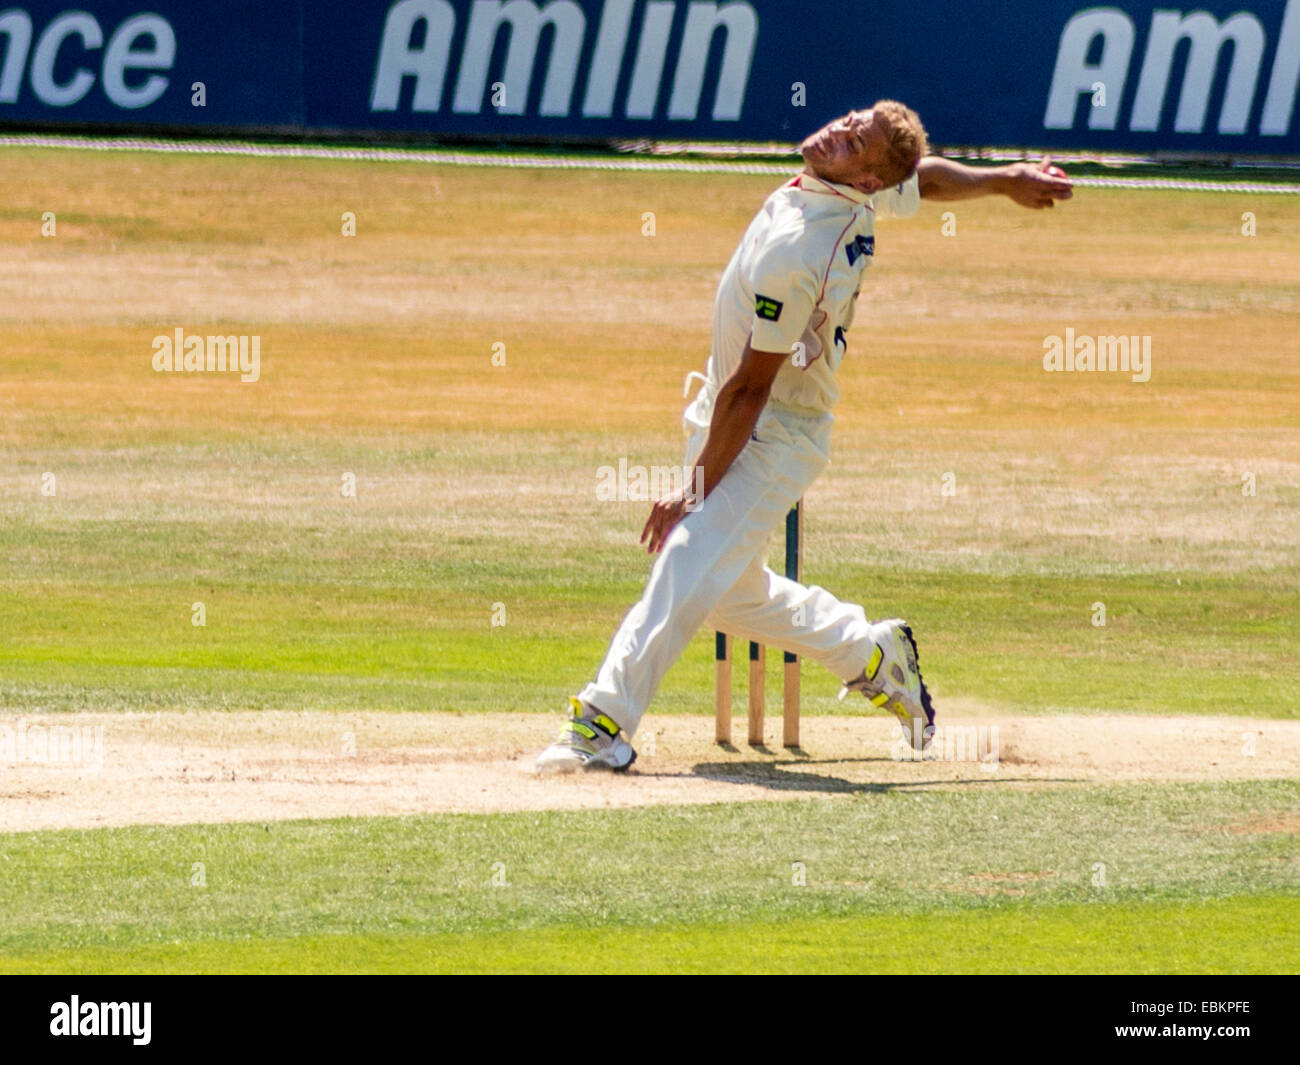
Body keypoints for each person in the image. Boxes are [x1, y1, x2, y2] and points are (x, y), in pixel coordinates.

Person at [537, 101, 1073, 772]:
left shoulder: (805, 249)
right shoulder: (844, 184)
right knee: (731, 596)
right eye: (850, 123)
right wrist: (1003, 179)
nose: (836, 134)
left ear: (867, 181)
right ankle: (873, 657)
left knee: (685, 556)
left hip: (773, 432)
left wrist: (691, 489)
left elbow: (752, 388)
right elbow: (924, 177)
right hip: (729, 411)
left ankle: (602, 722)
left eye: (854, 144)